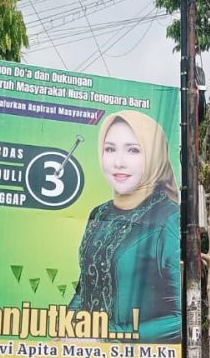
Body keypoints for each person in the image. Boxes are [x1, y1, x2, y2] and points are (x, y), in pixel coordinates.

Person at [69, 110, 181, 342]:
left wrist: (109, 337)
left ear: (154, 156)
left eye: (133, 150)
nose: (118, 162)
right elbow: (85, 286)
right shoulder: (99, 213)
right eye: (110, 149)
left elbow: (180, 318)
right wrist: (68, 327)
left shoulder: (170, 219)